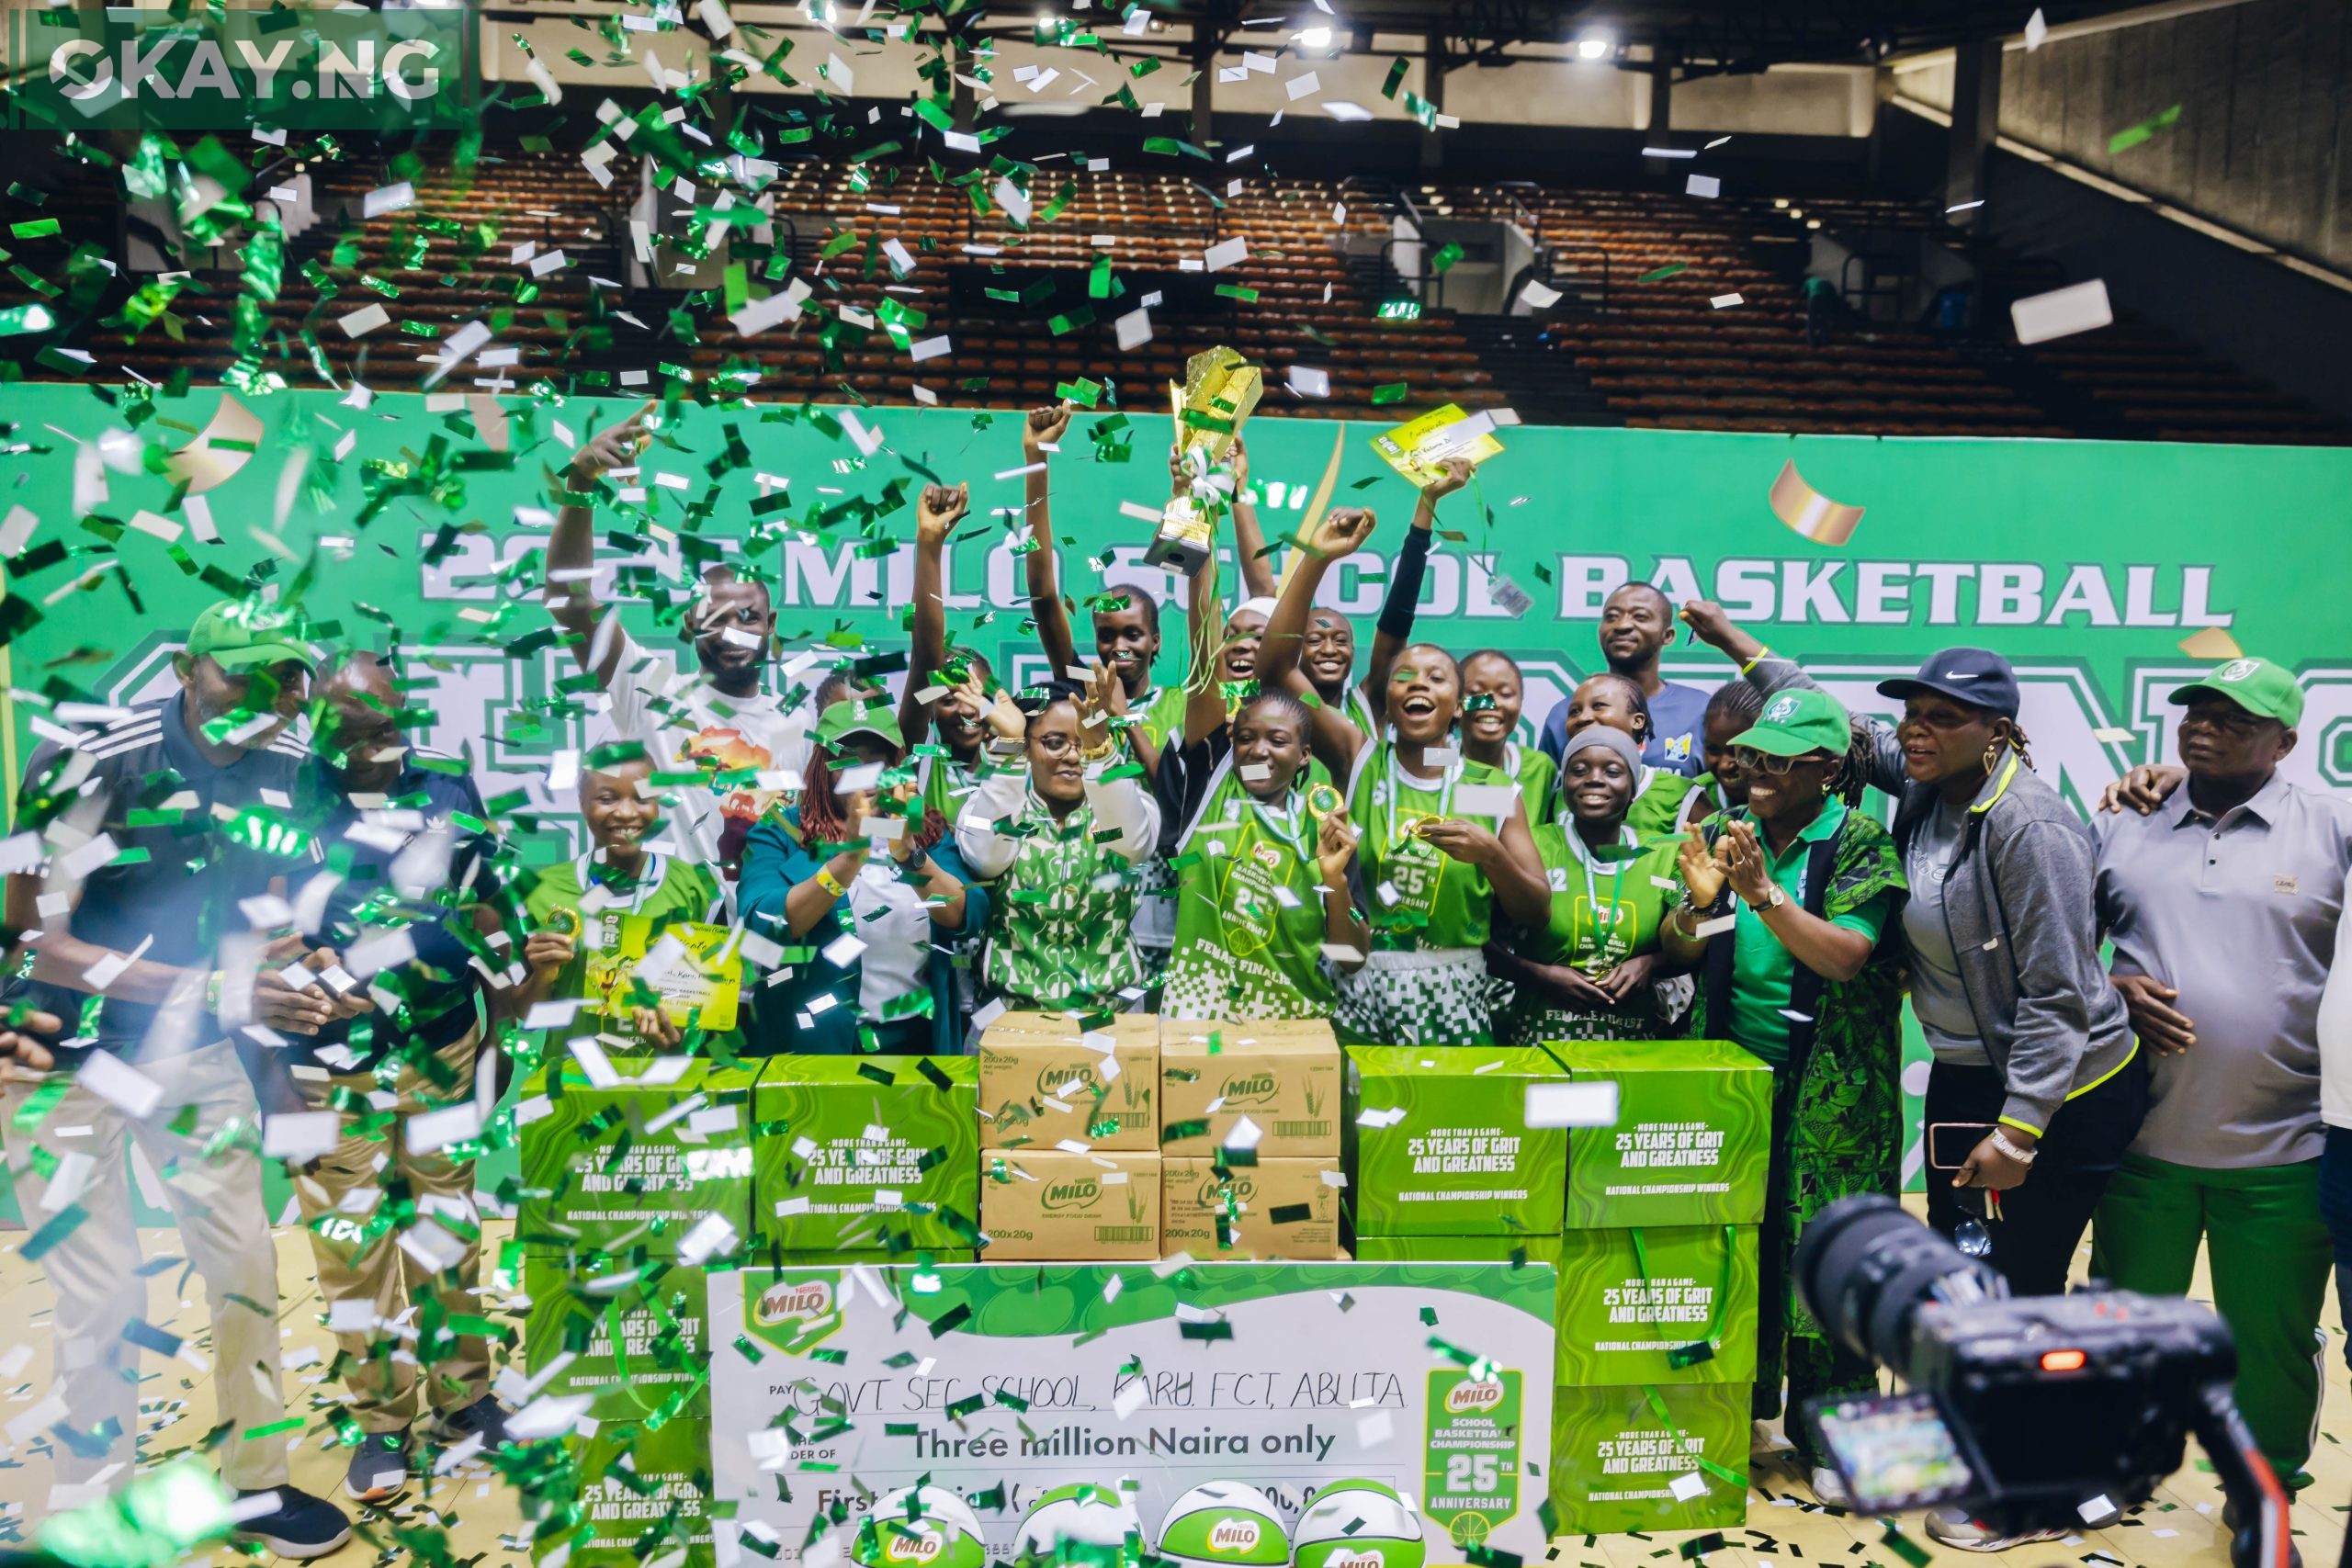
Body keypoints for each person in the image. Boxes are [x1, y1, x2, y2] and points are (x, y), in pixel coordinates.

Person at [0, 599, 350, 1555]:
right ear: (188, 671)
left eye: (286, 676)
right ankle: (93, 1498)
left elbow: (268, 916)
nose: (266, 695)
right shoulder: (84, 757)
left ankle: (258, 1486)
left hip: (189, 1050)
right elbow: (34, 935)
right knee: (101, 1289)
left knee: (242, 1264)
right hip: (53, 1058)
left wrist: (315, 982)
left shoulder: (292, 770)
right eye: (242, 672)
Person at [2087, 659, 2347, 1495]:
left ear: (2286, 742)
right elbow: (2055, 946)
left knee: (2269, 1343)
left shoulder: (2332, 829)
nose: (2204, 724)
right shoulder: (2124, 819)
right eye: (2196, 709)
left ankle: (2262, 1492)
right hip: (2141, 1140)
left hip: (2284, 1143)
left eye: (2234, 718)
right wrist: (2111, 987)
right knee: (2130, 1329)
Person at [1658, 684, 1907, 1508]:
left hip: (1833, 1093)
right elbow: (1683, 947)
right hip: (1735, 1078)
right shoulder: (1727, 834)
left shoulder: (1864, 841)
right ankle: (1747, 1414)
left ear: (1828, 770)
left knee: (1831, 1261)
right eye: (1749, 755)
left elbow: (1844, 956)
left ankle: (1836, 1431)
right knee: (1741, 1251)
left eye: (1775, 760)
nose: (1752, 770)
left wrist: (1763, 893)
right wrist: (1700, 905)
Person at [290, 652, 511, 1503]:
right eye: (354, 737)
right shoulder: (290, 796)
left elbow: (488, 903)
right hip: (329, 1067)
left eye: (388, 729)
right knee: (353, 1251)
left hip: (442, 1044)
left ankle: (465, 1396)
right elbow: (256, 914)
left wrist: (501, 1021)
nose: (376, 750)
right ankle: (382, 1421)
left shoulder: (450, 787)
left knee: (444, 1225)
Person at [1254, 484, 1550, 1046]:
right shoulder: (1358, 755)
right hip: (1357, 979)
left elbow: (1535, 910)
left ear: (1459, 706)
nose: (1417, 684)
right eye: (1403, 678)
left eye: (1436, 678)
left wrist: (1490, 854)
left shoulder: (1488, 789)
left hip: (1457, 986)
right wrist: (1316, 559)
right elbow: (1273, 669)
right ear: (1386, 701)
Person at [545, 400, 802, 874]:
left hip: (770, 931)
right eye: (713, 615)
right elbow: (569, 599)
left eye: (748, 616)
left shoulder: (802, 727)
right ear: (688, 623)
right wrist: (581, 485)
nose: (732, 631)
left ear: (772, 626)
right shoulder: (651, 691)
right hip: (673, 929)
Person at [737, 698, 984, 1054]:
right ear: (823, 769)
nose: (864, 776)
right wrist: (848, 859)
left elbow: (967, 914)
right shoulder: (781, 830)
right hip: (812, 1044)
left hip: (915, 1040)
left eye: (877, 762)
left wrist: (910, 857)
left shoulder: (926, 830)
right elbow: (764, 921)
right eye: (849, 761)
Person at [956, 666, 1162, 1013]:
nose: (1071, 755)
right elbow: (987, 857)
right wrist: (1007, 752)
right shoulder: (990, 805)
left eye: (1081, 743)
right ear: (1026, 748)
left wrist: (1100, 752)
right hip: (1009, 1022)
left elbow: (1129, 845)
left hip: (1111, 1023)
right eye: (1054, 742)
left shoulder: (1123, 809)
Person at [503, 748, 730, 1053]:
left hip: (666, 1085)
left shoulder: (695, 887)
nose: (625, 812)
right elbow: (526, 1013)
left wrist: (677, 1035)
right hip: (572, 1083)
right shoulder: (543, 891)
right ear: (582, 803)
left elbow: (711, 1007)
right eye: (607, 799)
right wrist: (543, 975)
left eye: (641, 798)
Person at [1487, 727, 1682, 1043]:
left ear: (1633, 789)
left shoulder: (1663, 854)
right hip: (1540, 1041)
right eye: (1578, 770)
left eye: (1613, 771)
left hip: (1635, 1047)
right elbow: (1478, 940)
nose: (1594, 778)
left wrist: (1651, 964)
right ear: (1564, 788)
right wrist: (1539, 976)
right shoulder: (1531, 846)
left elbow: (1699, 941)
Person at [1540, 582, 1709, 776]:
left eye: (1640, 617)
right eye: (1611, 617)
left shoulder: (1698, 710)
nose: (1622, 625)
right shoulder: (1568, 714)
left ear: (1668, 635)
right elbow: (1546, 797)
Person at [1556, 671, 1697, 837]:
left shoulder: (1682, 794)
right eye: (1574, 711)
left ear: (1637, 721)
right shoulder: (1561, 792)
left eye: (1599, 706)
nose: (1583, 718)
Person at [1461, 650, 1555, 826]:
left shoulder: (1540, 767)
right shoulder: (1436, 759)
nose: (1492, 702)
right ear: (1455, 702)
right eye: (1475, 692)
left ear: (1520, 703)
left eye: (1505, 694)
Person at [1685, 680, 1764, 829]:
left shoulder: (1789, 798)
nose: (1724, 765)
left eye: (1740, 751)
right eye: (1713, 750)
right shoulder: (1690, 798)